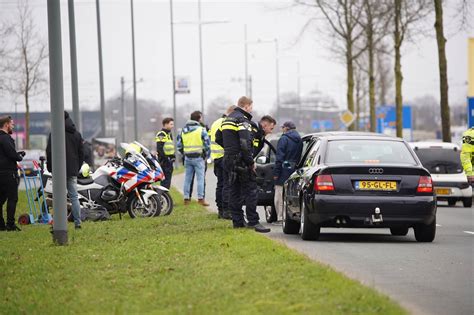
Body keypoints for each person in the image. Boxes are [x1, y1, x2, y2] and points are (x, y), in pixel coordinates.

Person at [221, 96, 270, 233]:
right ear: (247, 105)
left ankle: (237, 222)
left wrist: (230, 150)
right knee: (251, 191)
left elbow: (219, 137)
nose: (251, 109)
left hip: (229, 159)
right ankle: (253, 221)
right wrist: (250, 161)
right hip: (241, 161)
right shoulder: (243, 120)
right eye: (251, 106)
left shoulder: (227, 119)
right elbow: (245, 143)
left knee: (234, 191)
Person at [46, 111, 84, 229]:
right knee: (74, 197)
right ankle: (77, 223)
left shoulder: (55, 133)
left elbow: (49, 151)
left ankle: (58, 223)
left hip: (58, 170)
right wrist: (76, 167)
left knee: (58, 197)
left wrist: (50, 168)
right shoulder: (76, 134)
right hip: (72, 169)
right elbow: (81, 153)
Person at [177, 111, 211, 206]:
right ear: (199, 118)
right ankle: (201, 199)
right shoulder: (201, 130)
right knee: (200, 179)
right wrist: (207, 155)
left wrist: (184, 153)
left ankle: (186, 199)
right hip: (199, 158)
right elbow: (207, 145)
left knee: (187, 179)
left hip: (187, 158)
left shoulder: (183, 130)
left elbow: (179, 145)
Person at [210, 105, 237, 219]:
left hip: (216, 157)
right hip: (225, 156)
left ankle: (220, 209)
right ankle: (226, 210)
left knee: (220, 184)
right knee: (227, 184)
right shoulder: (227, 123)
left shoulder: (215, 123)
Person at [273, 121, 303, 223]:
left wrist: (276, 173)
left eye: (283, 128)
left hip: (283, 170)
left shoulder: (283, 139)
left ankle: (280, 217)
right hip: (294, 169)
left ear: (286, 128)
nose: (282, 129)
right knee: (291, 194)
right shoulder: (300, 140)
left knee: (279, 194)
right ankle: (290, 217)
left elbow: (279, 158)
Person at [0, 116, 25, 232]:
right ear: (6, 125)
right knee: (12, 198)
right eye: (12, 124)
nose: (13, 126)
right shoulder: (5, 138)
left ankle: (1, 224)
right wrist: (19, 156)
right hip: (8, 173)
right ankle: (10, 224)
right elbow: (11, 154)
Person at [155, 117, 175, 189]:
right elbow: (160, 149)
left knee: (167, 182)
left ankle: (165, 197)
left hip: (169, 161)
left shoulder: (169, 134)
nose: (172, 126)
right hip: (165, 161)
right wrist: (166, 159)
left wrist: (172, 157)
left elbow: (169, 147)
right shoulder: (162, 134)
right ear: (165, 124)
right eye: (171, 124)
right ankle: (163, 197)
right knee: (165, 182)